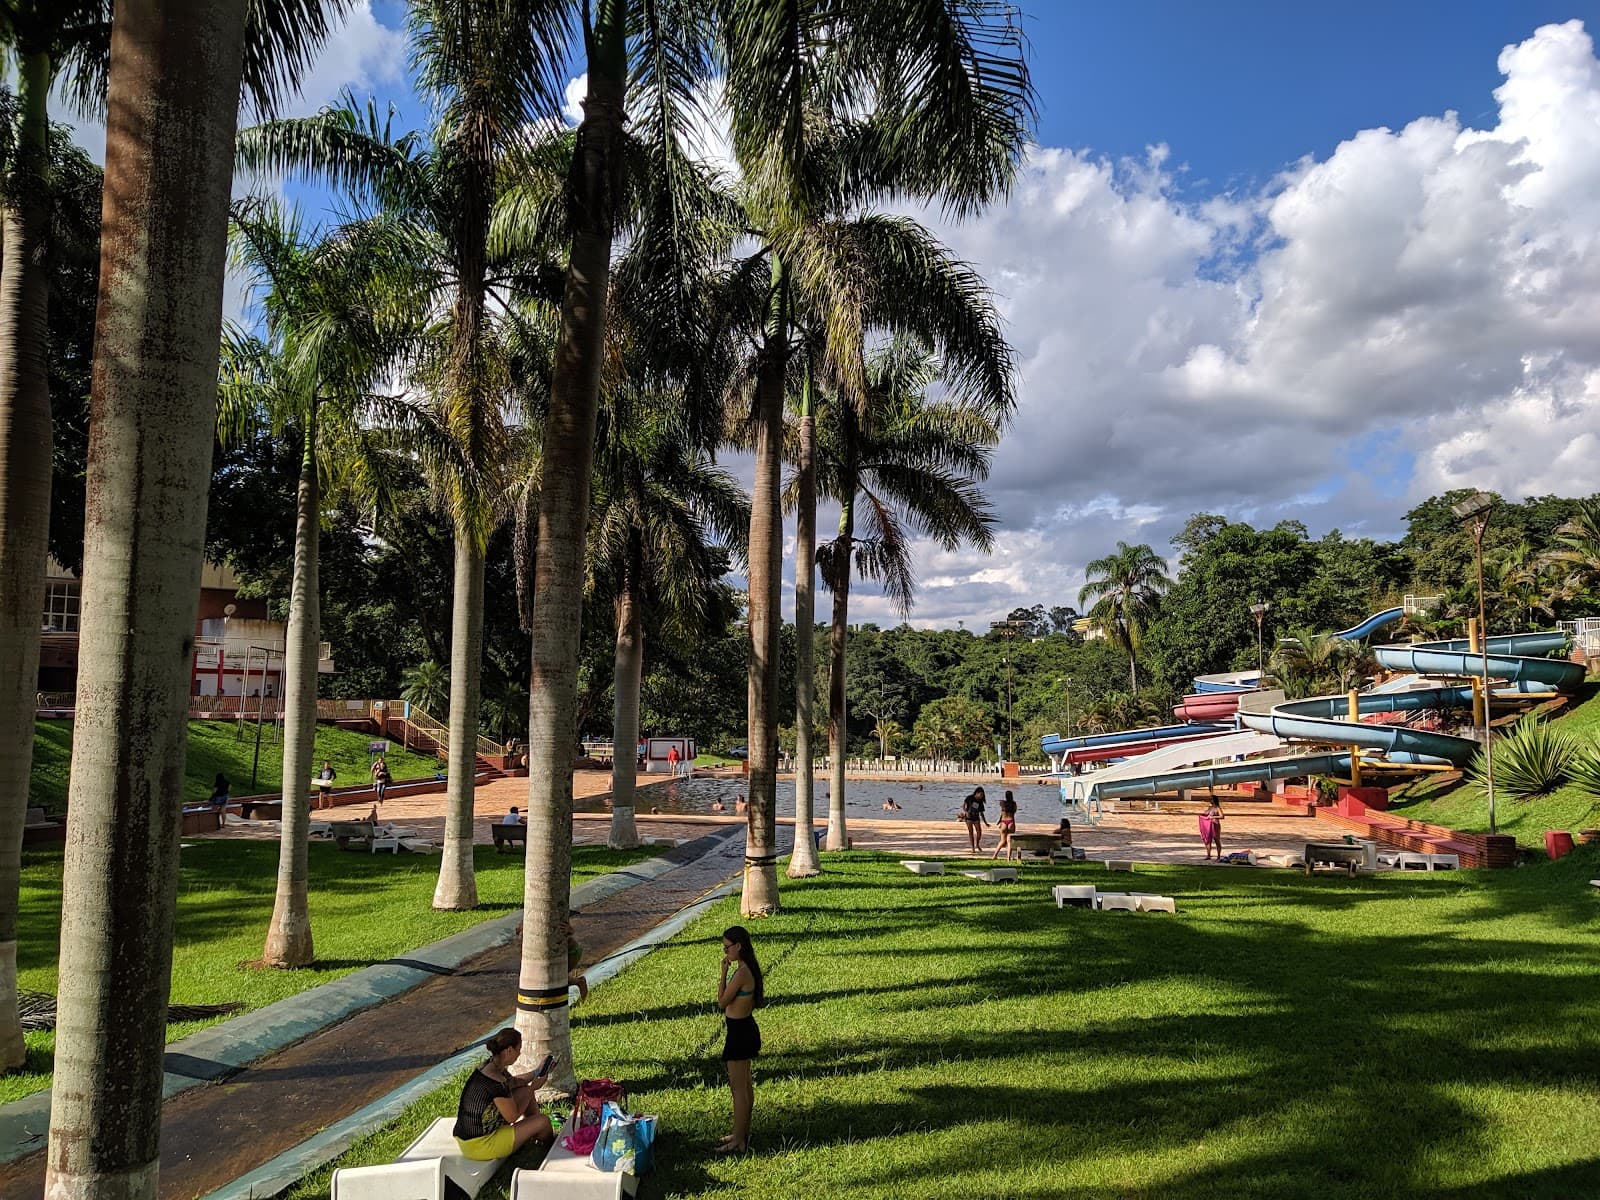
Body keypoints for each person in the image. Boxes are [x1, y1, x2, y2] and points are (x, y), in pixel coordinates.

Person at [451, 1027, 553, 1161]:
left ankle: (533, 1130)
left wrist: (537, 1072)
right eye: (519, 1049)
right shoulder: (496, 1082)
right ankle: (545, 1143)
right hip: (480, 1145)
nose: (520, 1053)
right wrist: (533, 1088)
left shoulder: (490, 1066)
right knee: (543, 1121)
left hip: (468, 1138)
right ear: (509, 1050)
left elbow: (515, 1082)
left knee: (522, 1089)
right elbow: (512, 1116)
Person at [716, 925, 763, 1153]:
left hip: (739, 1033)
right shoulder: (748, 968)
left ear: (739, 946)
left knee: (739, 1089)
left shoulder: (742, 973)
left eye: (727, 948)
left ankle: (739, 1140)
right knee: (744, 1086)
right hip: (744, 1029)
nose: (726, 953)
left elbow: (722, 1002)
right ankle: (741, 1133)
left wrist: (724, 973)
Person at [958, 786, 989, 854]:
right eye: (981, 794)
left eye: (982, 795)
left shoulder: (980, 802)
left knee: (979, 832)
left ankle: (977, 844)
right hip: (969, 818)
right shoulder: (969, 798)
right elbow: (964, 806)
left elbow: (981, 813)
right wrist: (966, 812)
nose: (981, 796)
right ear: (977, 793)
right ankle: (972, 847)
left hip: (976, 818)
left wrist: (986, 823)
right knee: (971, 832)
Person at [992, 791, 1018, 860]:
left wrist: (999, 821)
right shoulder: (1014, 804)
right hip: (1011, 822)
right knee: (1009, 841)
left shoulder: (1002, 803)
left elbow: (1002, 813)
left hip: (1003, 822)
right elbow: (1014, 812)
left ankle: (995, 855)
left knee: (1002, 841)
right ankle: (1008, 858)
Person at [1199, 794, 1224, 860]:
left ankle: (1218, 856)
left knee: (1217, 840)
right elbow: (1206, 814)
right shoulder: (1210, 807)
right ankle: (1208, 855)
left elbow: (1222, 816)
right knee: (1208, 839)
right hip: (1208, 825)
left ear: (1214, 800)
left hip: (1215, 825)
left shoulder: (1217, 808)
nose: (1210, 800)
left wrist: (1213, 817)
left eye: (1211, 799)